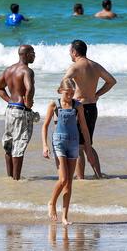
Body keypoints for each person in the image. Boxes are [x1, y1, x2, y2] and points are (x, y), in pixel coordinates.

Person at [41, 78, 95, 225]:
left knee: (69, 183)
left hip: (74, 143)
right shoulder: (54, 105)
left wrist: (88, 148)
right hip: (59, 142)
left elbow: (84, 128)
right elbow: (45, 126)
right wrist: (45, 146)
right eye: (67, 93)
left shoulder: (78, 106)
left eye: (72, 93)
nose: (70, 96)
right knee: (63, 179)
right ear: (60, 91)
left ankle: (65, 217)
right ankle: (51, 203)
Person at [63, 40, 117, 179]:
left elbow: (65, 81)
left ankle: (80, 178)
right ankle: (98, 174)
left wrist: (68, 98)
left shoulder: (75, 67)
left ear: (74, 52)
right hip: (92, 107)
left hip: (79, 107)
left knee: (78, 146)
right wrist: (97, 94)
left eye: (70, 51)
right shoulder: (95, 66)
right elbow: (111, 81)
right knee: (87, 143)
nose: (70, 53)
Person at [0, 45, 37, 180]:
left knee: (9, 144)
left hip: (10, 110)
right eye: (32, 53)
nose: (34, 56)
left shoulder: (9, 70)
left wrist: (9, 100)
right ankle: (16, 180)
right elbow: (29, 89)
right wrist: (28, 103)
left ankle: (10, 177)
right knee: (19, 145)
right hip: (21, 112)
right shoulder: (27, 71)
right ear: (25, 54)